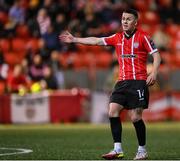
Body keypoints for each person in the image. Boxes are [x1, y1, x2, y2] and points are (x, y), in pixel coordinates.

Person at [59, 9, 161, 160]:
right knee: (112, 111)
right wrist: (75, 39)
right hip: (122, 82)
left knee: (135, 117)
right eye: (123, 19)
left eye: (128, 19)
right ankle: (117, 149)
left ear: (135, 22)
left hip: (138, 81)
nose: (125, 21)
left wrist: (153, 73)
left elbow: (156, 55)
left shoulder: (143, 37)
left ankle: (142, 150)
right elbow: (97, 40)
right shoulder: (117, 37)